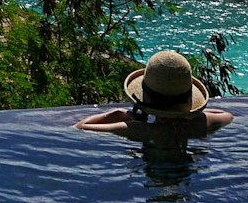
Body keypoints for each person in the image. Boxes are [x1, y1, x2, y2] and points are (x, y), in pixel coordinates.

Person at [74, 50, 234, 141]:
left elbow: (79, 128)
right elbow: (227, 116)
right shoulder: (199, 124)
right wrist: (193, 115)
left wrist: (115, 114)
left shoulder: (137, 129)